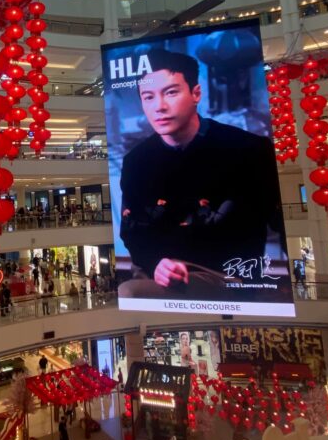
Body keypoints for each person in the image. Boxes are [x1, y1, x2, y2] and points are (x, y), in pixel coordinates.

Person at [117, 47, 285, 300]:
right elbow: (133, 230)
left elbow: (269, 221)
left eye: (171, 92)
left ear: (196, 93)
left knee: (131, 293)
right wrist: (157, 263)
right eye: (148, 97)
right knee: (130, 291)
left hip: (226, 275)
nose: (159, 107)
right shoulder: (136, 161)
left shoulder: (248, 149)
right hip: (161, 272)